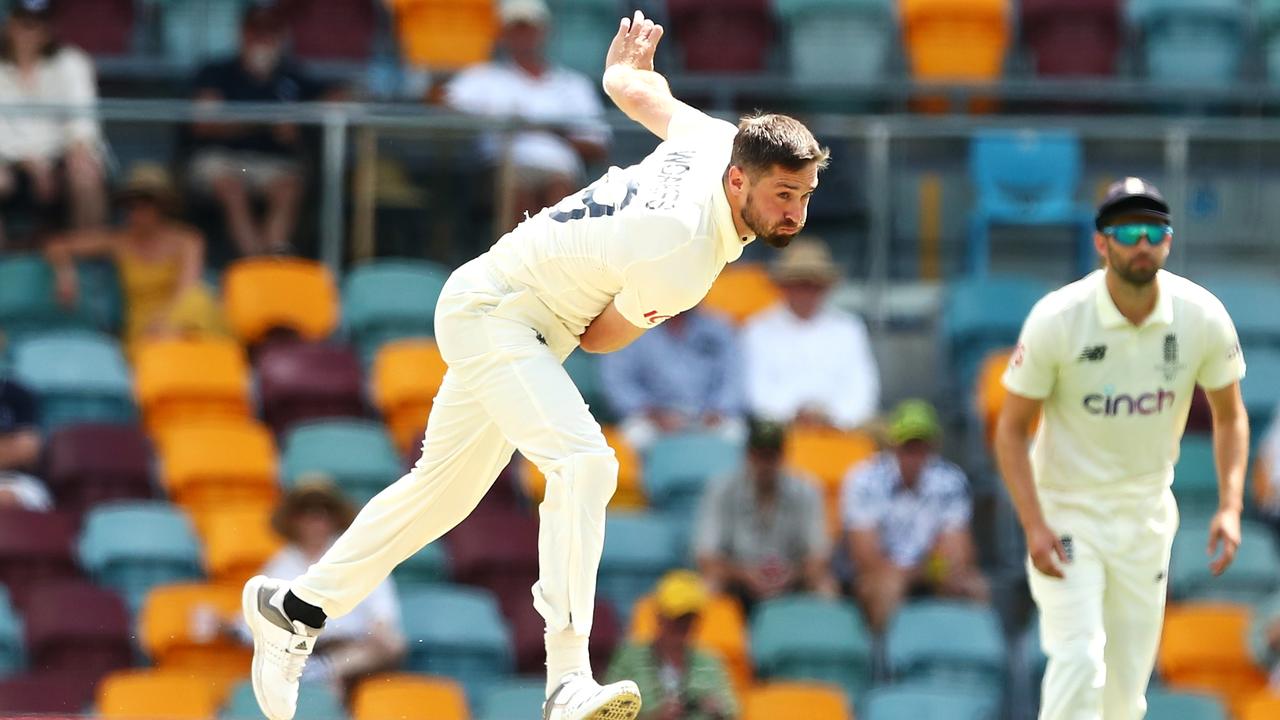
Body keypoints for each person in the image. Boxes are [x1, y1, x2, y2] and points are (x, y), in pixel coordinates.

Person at [240, 10, 827, 720]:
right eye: (783, 195)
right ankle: (567, 676)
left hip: (509, 309)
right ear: (740, 181)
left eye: (803, 196)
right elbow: (604, 338)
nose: (795, 213)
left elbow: (637, 90)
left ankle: (294, 607)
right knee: (587, 464)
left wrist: (621, 69)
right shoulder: (686, 257)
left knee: (439, 496)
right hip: (501, 312)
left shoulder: (715, 141)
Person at [997, 177, 1249, 720]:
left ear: (1168, 242)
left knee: (1125, 693)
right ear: (1101, 243)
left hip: (1146, 518)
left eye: (1153, 231)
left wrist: (1229, 505)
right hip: (1067, 513)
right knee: (1081, 660)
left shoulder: (1200, 315)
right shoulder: (1059, 318)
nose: (1142, 242)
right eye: (1128, 230)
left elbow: (1230, 416)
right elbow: (1011, 429)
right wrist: (1034, 523)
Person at [446, 0, 610, 228]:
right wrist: (488, 119)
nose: (523, 36)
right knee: (519, 194)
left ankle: (556, 257)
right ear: (503, 34)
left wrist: (551, 132)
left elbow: (598, 146)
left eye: (529, 27)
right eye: (516, 28)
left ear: (544, 31)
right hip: (504, 169)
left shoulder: (574, 84)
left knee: (559, 195)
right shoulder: (483, 77)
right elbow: (439, 98)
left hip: (561, 172)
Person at [188, 4, 328, 257]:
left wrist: (301, 123)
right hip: (222, 160)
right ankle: (255, 264)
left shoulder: (292, 75)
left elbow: (339, 93)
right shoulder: (217, 71)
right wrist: (263, 122)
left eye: (270, 31)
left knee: (288, 188)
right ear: (243, 33)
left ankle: (270, 262)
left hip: (272, 164)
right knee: (232, 187)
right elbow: (204, 123)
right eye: (256, 30)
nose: (262, 38)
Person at [841, 399, 989, 634]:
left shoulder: (950, 479)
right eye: (908, 446)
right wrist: (919, 571)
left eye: (921, 446)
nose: (914, 455)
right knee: (886, 587)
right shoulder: (864, 479)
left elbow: (959, 553)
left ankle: (965, 661)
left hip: (926, 572)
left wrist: (918, 572)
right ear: (893, 446)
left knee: (974, 586)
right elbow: (865, 557)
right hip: (885, 574)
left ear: (933, 447)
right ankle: (885, 664)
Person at [45, 163, 224, 356]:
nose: (137, 211)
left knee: (199, 300)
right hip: (144, 329)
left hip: (183, 317)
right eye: (131, 204)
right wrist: (65, 273)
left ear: (162, 206)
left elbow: (187, 289)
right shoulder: (119, 241)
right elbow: (58, 244)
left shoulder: (188, 239)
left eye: (146, 202)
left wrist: (168, 323)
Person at [259, 479, 404, 696]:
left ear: (334, 518)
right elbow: (259, 620)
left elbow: (382, 614)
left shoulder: (358, 556)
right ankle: (321, 675)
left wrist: (380, 627)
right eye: (307, 512)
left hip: (355, 652)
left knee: (393, 644)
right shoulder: (280, 564)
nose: (316, 521)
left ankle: (327, 670)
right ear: (294, 520)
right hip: (298, 650)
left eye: (324, 511)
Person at [695, 418, 837, 611]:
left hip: (791, 578)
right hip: (736, 581)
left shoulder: (807, 489)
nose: (765, 463)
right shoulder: (721, 489)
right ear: (748, 455)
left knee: (825, 586)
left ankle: (822, 640)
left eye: (771, 455)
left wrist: (791, 574)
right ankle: (711, 641)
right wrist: (745, 574)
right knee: (708, 585)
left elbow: (819, 555)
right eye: (759, 455)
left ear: (782, 456)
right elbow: (706, 557)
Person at [741, 237, 879, 431]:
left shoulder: (849, 329)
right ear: (784, 286)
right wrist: (793, 414)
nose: (805, 292)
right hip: (779, 438)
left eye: (813, 284)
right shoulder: (757, 330)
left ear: (825, 287)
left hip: (841, 435)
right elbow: (755, 392)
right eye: (799, 283)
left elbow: (863, 389)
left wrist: (833, 417)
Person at [0, 0, 106, 244]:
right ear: (9, 25)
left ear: (48, 29)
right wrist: (31, 163)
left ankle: (85, 262)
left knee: (85, 174)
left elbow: (82, 123)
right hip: (10, 159)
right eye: (23, 23)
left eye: (37, 23)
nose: (29, 31)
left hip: (61, 155)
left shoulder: (71, 62)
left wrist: (74, 154)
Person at [600, 306, 745, 451]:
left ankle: (722, 475)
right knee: (635, 436)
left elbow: (733, 378)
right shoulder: (631, 327)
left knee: (734, 434)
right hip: (653, 417)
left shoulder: (717, 326)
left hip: (708, 414)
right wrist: (652, 413)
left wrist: (718, 411)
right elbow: (618, 382)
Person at [604, 571, 737, 720]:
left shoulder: (710, 661)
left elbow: (732, 711)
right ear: (659, 617)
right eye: (676, 617)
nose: (683, 625)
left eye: (689, 618)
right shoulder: (629, 659)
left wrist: (717, 708)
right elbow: (607, 714)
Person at [0, 375, 50, 510]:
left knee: (6, 499)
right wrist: (7, 446)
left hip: (15, 480)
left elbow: (28, 451)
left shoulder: (15, 393)